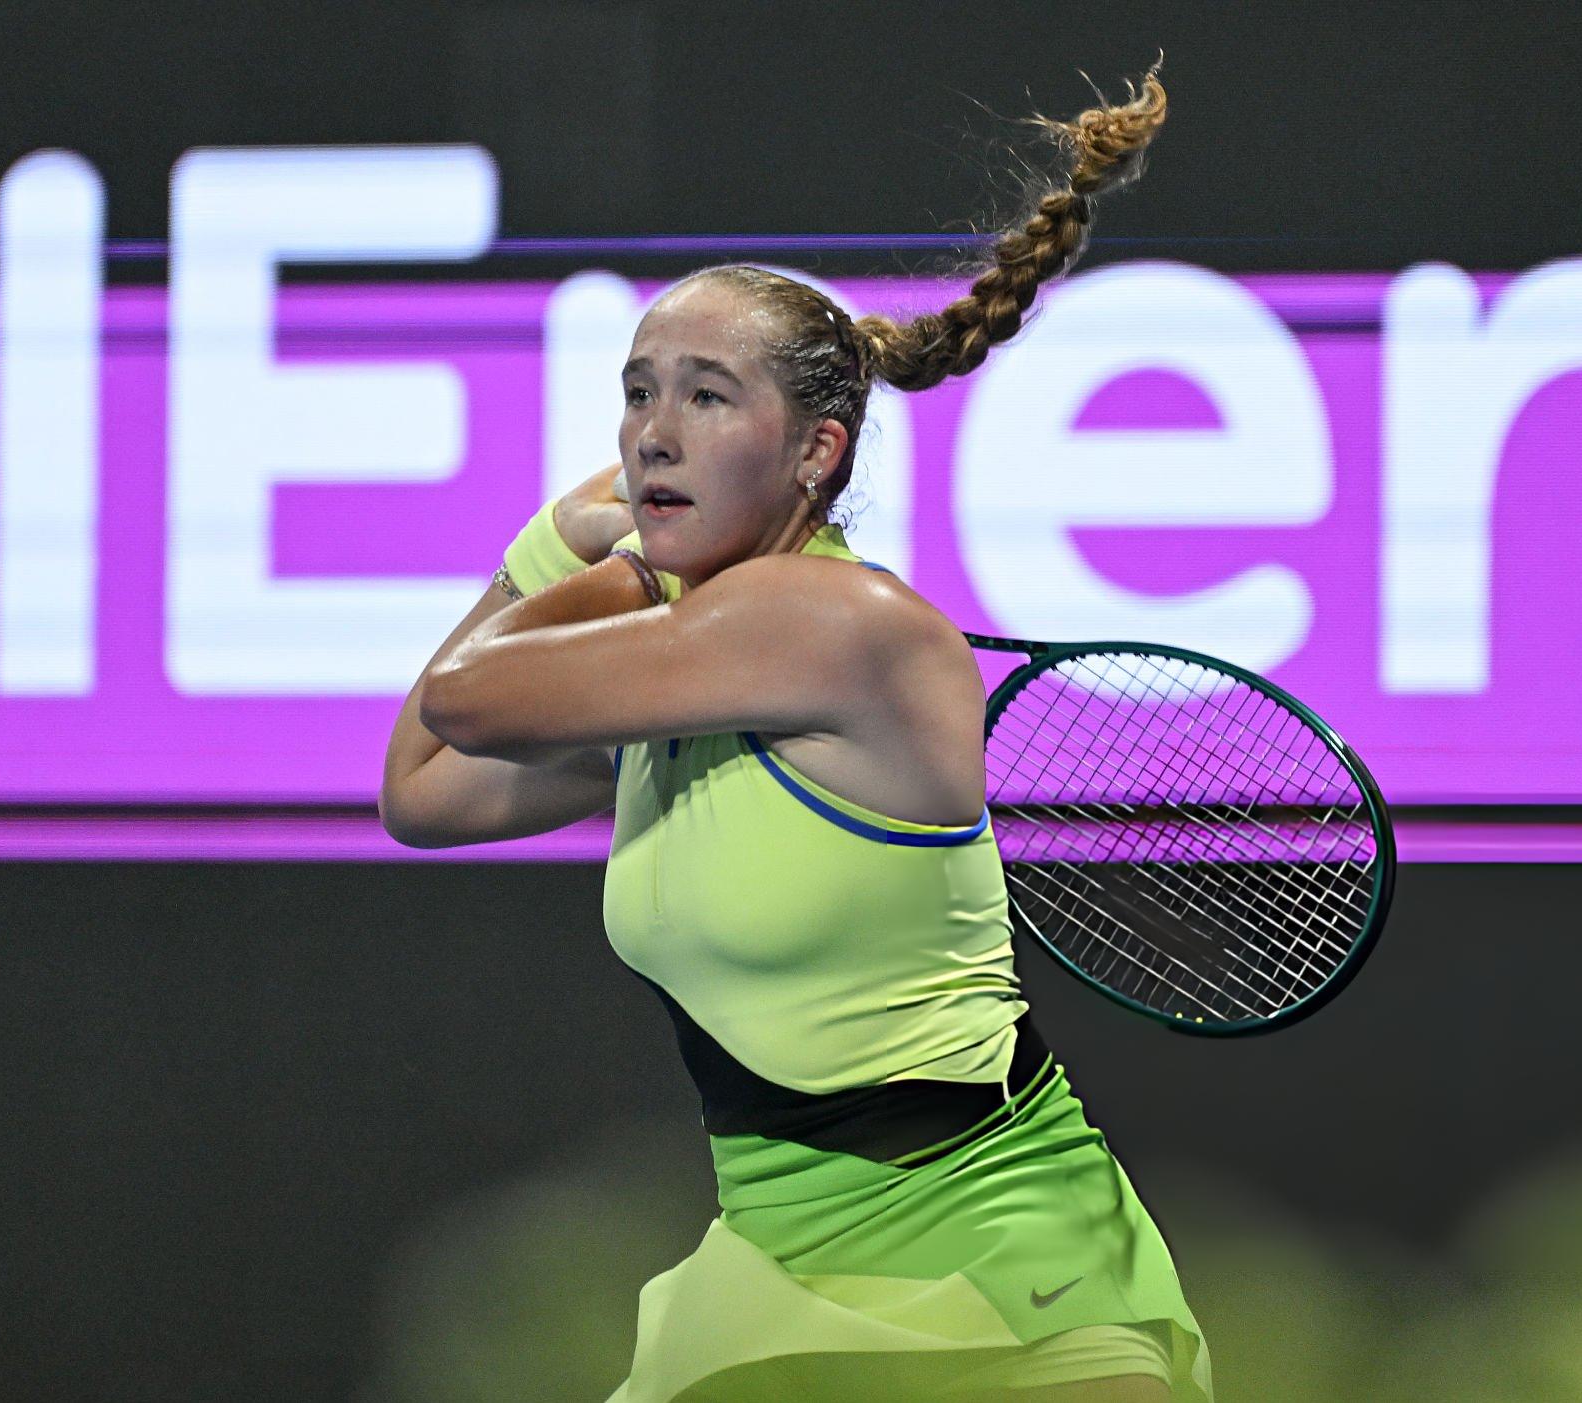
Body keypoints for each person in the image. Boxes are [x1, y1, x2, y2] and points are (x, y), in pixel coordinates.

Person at [382, 61, 1210, 1403]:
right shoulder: (683, 681)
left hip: (1009, 1277)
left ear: (816, 453)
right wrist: (571, 545)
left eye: (707, 397)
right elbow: (421, 789)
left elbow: (467, 694)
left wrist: (600, 553)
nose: (655, 434)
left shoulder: (826, 624)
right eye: (639, 393)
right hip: (771, 1271)